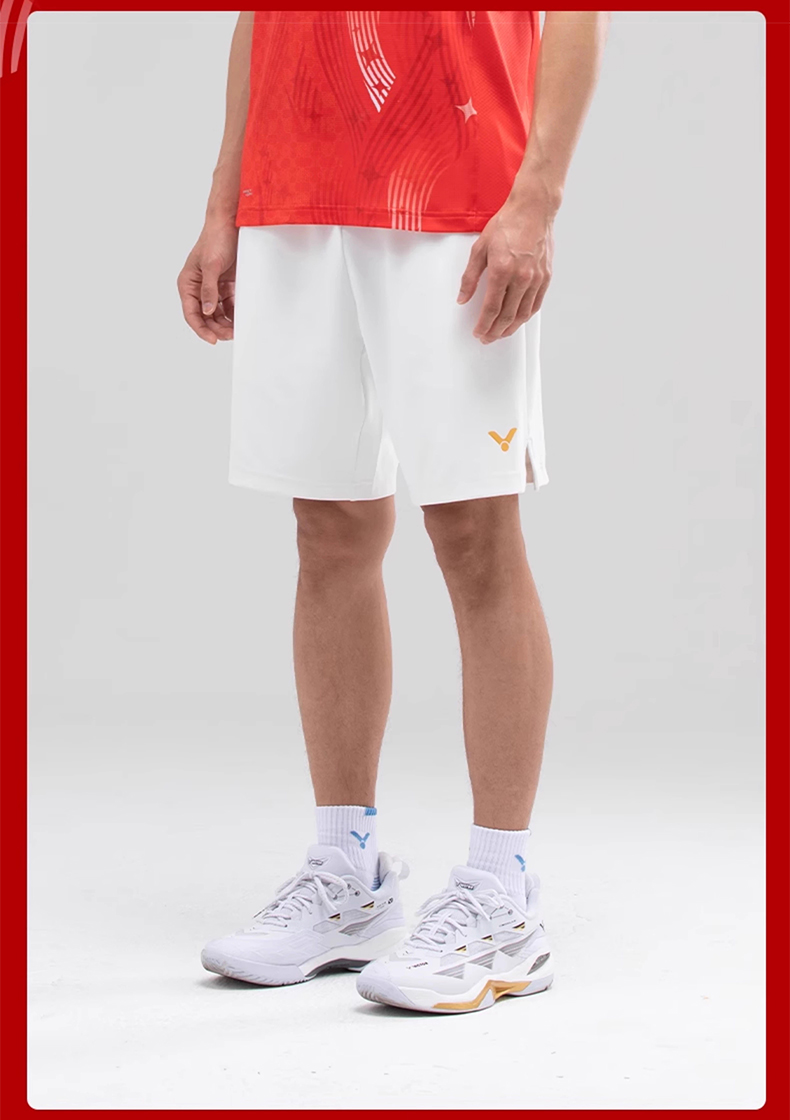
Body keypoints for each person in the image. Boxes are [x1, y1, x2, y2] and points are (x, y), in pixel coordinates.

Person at [178, 10, 608, 1014]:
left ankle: (502, 893)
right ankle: (349, 875)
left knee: (473, 534)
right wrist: (223, 202)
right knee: (327, 529)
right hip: (293, 192)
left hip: (457, 192)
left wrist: (537, 194)